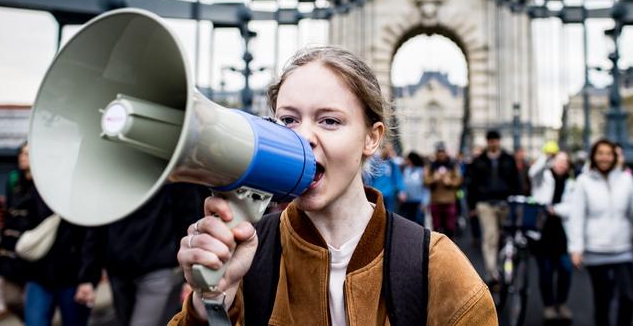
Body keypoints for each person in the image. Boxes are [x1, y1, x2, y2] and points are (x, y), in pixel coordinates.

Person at [168, 46, 496, 325]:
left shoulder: (437, 266)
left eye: (329, 121)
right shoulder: (244, 258)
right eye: (288, 120)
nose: (303, 137)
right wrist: (211, 303)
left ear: (372, 138)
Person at [79, 185, 205, 326]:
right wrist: (88, 277)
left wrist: (191, 275)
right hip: (118, 272)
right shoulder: (109, 183)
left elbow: (188, 218)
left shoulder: (173, 182)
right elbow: (97, 228)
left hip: (158, 270)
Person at [18, 147, 101, 326]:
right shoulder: (38, 189)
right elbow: (27, 227)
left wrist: (87, 279)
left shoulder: (85, 195)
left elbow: (92, 239)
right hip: (39, 276)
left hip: (74, 278)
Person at [568, 138, 633, 326]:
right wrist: (576, 249)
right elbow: (577, 216)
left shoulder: (627, 179)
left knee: (629, 298)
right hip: (596, 250)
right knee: (603, 300)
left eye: (608, 153)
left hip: (623, 249)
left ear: (615, 156)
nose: (604, 158)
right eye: (600, 153)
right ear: (594, 156)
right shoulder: (583, 181)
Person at [466, 130, 521, 283]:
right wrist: (472, 206)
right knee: (490, 237)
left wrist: (516, 203)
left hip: (505, 203)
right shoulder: (479, 161)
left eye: (495, 140)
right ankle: (492, 273)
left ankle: (506, 266)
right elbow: (472, 185)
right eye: (491, 140)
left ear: (499, 141)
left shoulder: (508, 159)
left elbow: (516, 183)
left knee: (508, 237)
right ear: (487, 142)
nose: (493, 143)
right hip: (485, 204)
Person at [529, 150, 575, 321]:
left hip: (561, 233)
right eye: (558, 160)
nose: (561, 164)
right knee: (546, 272)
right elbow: (533, 172)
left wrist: (555, 209)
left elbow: (572, 206)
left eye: (565, 162)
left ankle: (561, 303)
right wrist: (545, 156)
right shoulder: (543, 177)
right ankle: (548, 305)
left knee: (565, 270)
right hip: (542, 233)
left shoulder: (571, 183)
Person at [0, 142, 32, 321]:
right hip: (11, 253)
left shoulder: (45, 185)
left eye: (26, 154)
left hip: (35, 253)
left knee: (38, 305)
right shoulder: (13, 180)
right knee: (11, 299)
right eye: (21, 154)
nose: (22, 157)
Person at [424, 143, 462, 238]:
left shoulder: (453, 165)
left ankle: (450, 247)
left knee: (450, 227)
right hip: (436, 201)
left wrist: (450, 182)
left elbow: (459, 180)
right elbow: (425, 181)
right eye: (439, 152)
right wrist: (434, 179)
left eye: (442, 152)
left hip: (449, 200)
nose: (441, 154)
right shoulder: (431, 166)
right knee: (436, 227)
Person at [364, 142, 406, 213]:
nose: (390, 152)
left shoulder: (392, 164)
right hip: (377, 194)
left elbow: (397, 178)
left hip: (390, 195)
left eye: (391, 150)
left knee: (390, 214)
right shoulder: (375, 163)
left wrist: (401, 190)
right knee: (378, 214)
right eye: (388, 150)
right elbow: (369, 178)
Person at [398, 151, 427, 226]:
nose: (406, 161)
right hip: (407, 201)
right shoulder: (405, 170)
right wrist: (401, 192)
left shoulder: (421, 170)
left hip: (418, 202)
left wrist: (425, 202)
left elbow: (426, 188)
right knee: (407, 224)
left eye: (408, 160)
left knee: (419, 223)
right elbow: (401, 183)